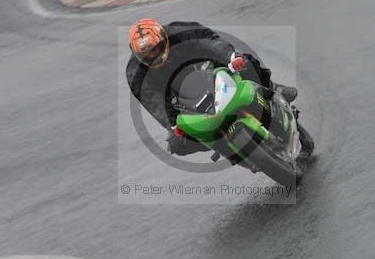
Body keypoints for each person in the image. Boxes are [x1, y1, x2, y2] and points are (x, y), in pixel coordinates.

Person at [126, 19, 297, 156]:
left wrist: (230, 56)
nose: (153, 55)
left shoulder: (181, 32)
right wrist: (171, 125)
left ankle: (272, 88)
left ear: (165, 39)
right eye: (146, 55)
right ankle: (225, 149)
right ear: (137, 55)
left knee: (245, 63)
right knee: (177, 144)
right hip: (180, 98)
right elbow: (152, 100)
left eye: (156, 50)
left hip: (210, 68)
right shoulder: (136, 73)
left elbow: (210, 43)